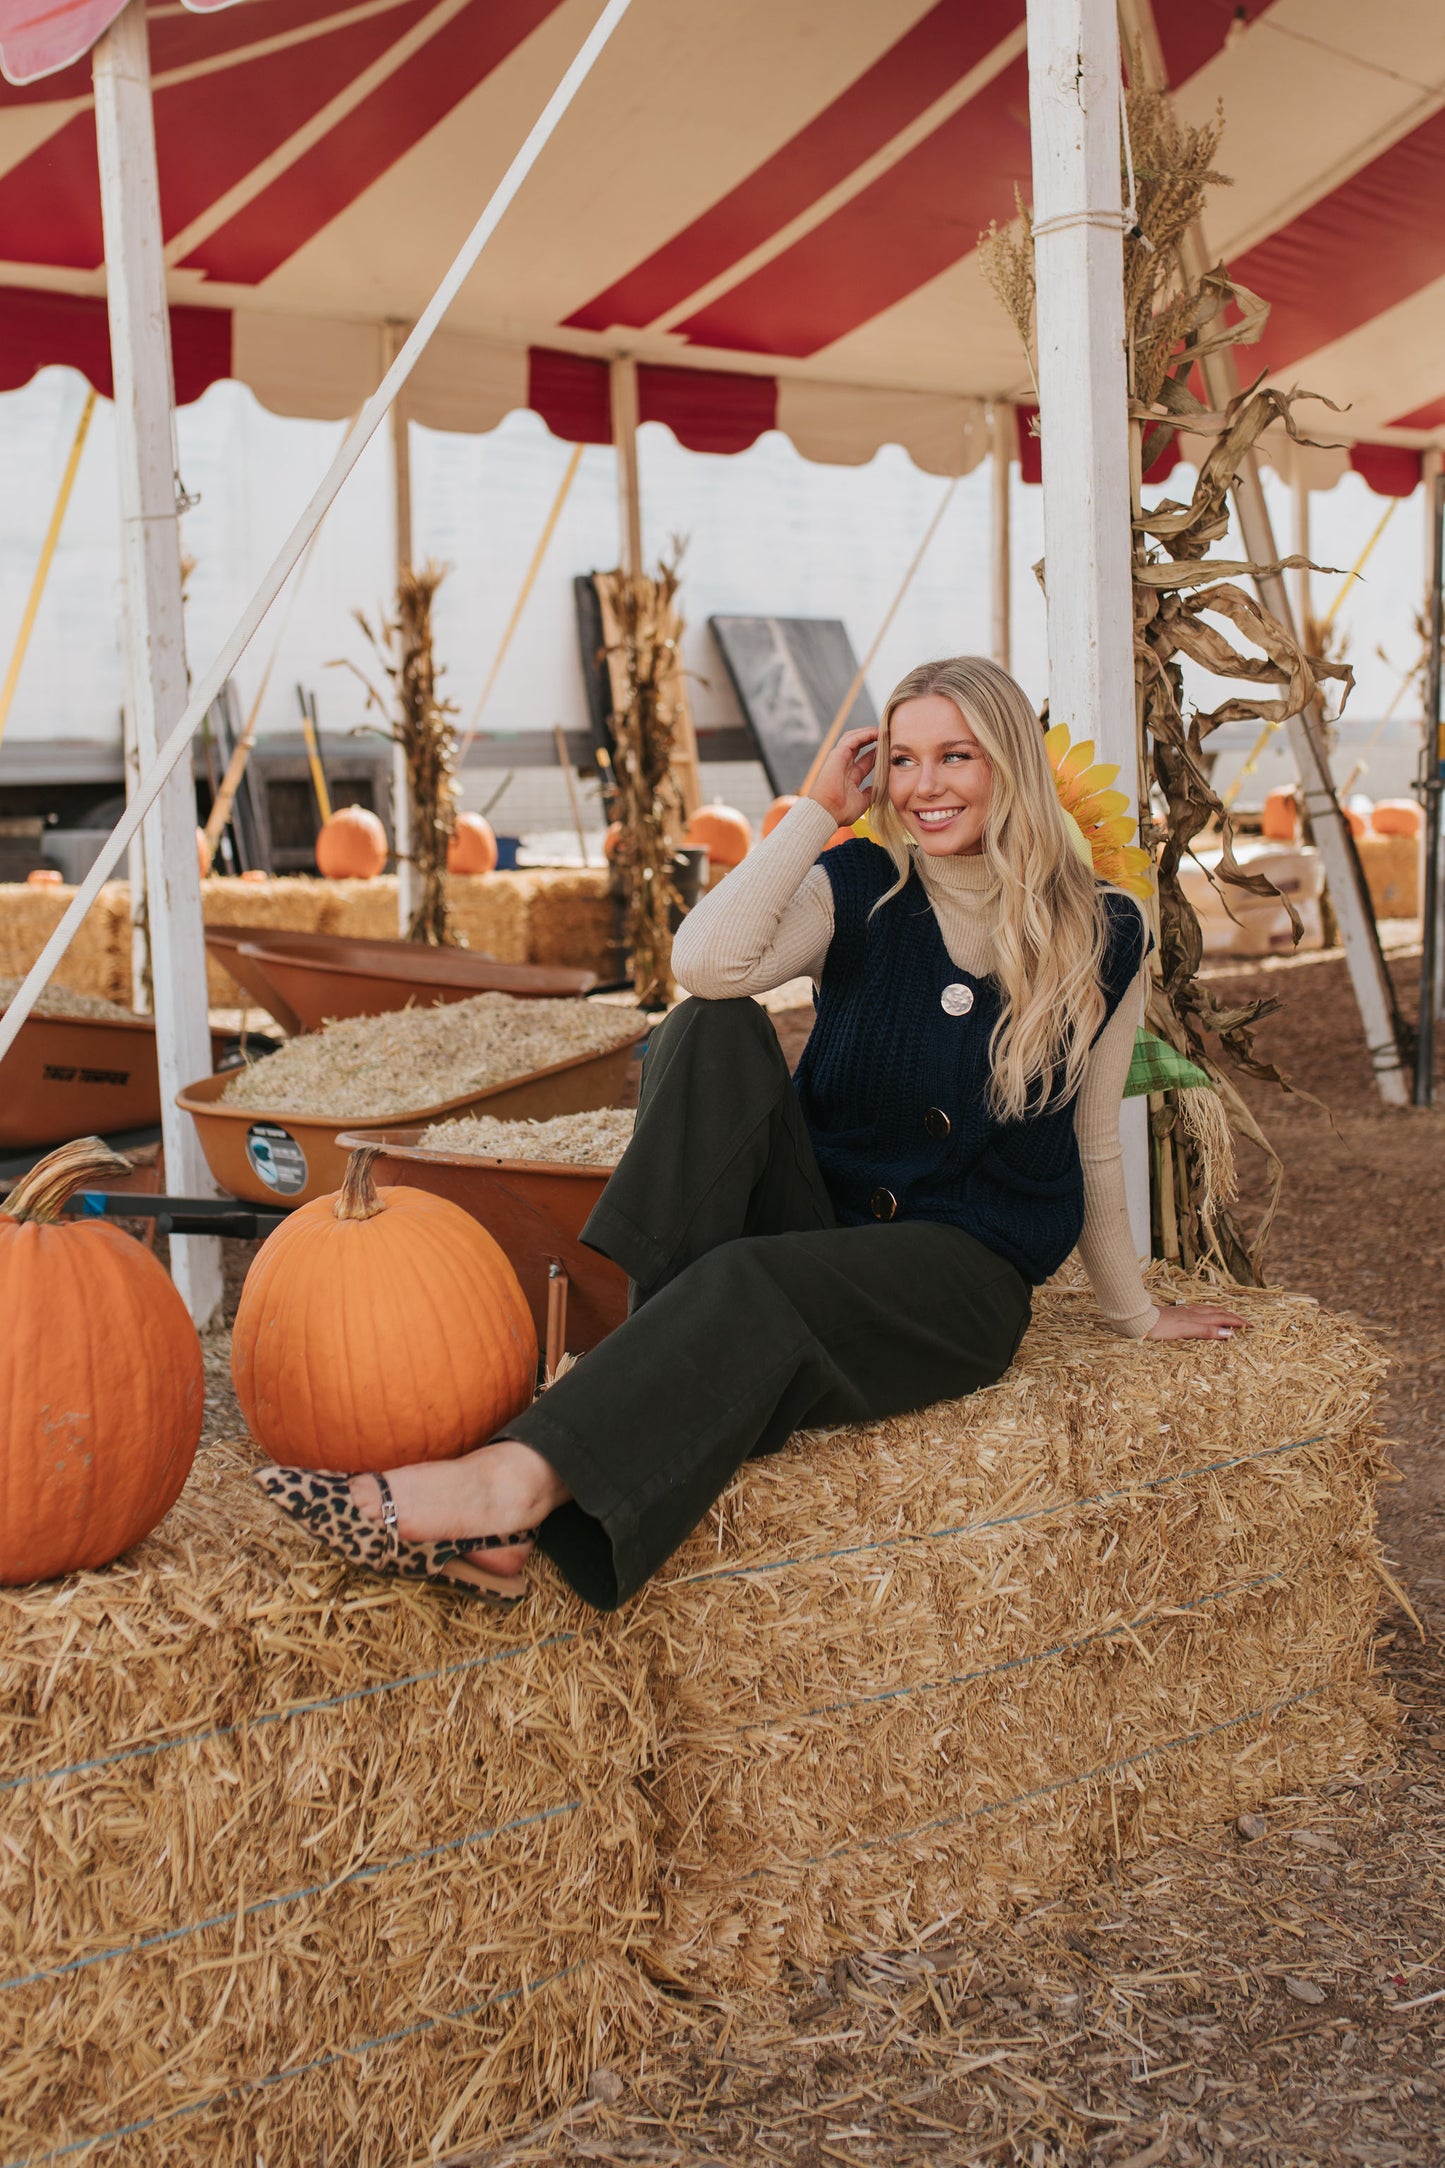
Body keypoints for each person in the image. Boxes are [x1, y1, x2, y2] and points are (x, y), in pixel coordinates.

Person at [255, 657, 1246, 1608]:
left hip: (957, 1271)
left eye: (956, 755)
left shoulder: (1106, 929)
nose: (922, 784)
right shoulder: (860, 886)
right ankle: (658, 1357)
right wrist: (814, 809)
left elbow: (1092, 1139)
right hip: (816, 1212)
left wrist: (1133, 1312)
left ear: (1010, 766)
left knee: (748, 1284)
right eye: (900, 758)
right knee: (709, 1026)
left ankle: (501, 1493)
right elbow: (704, 961)